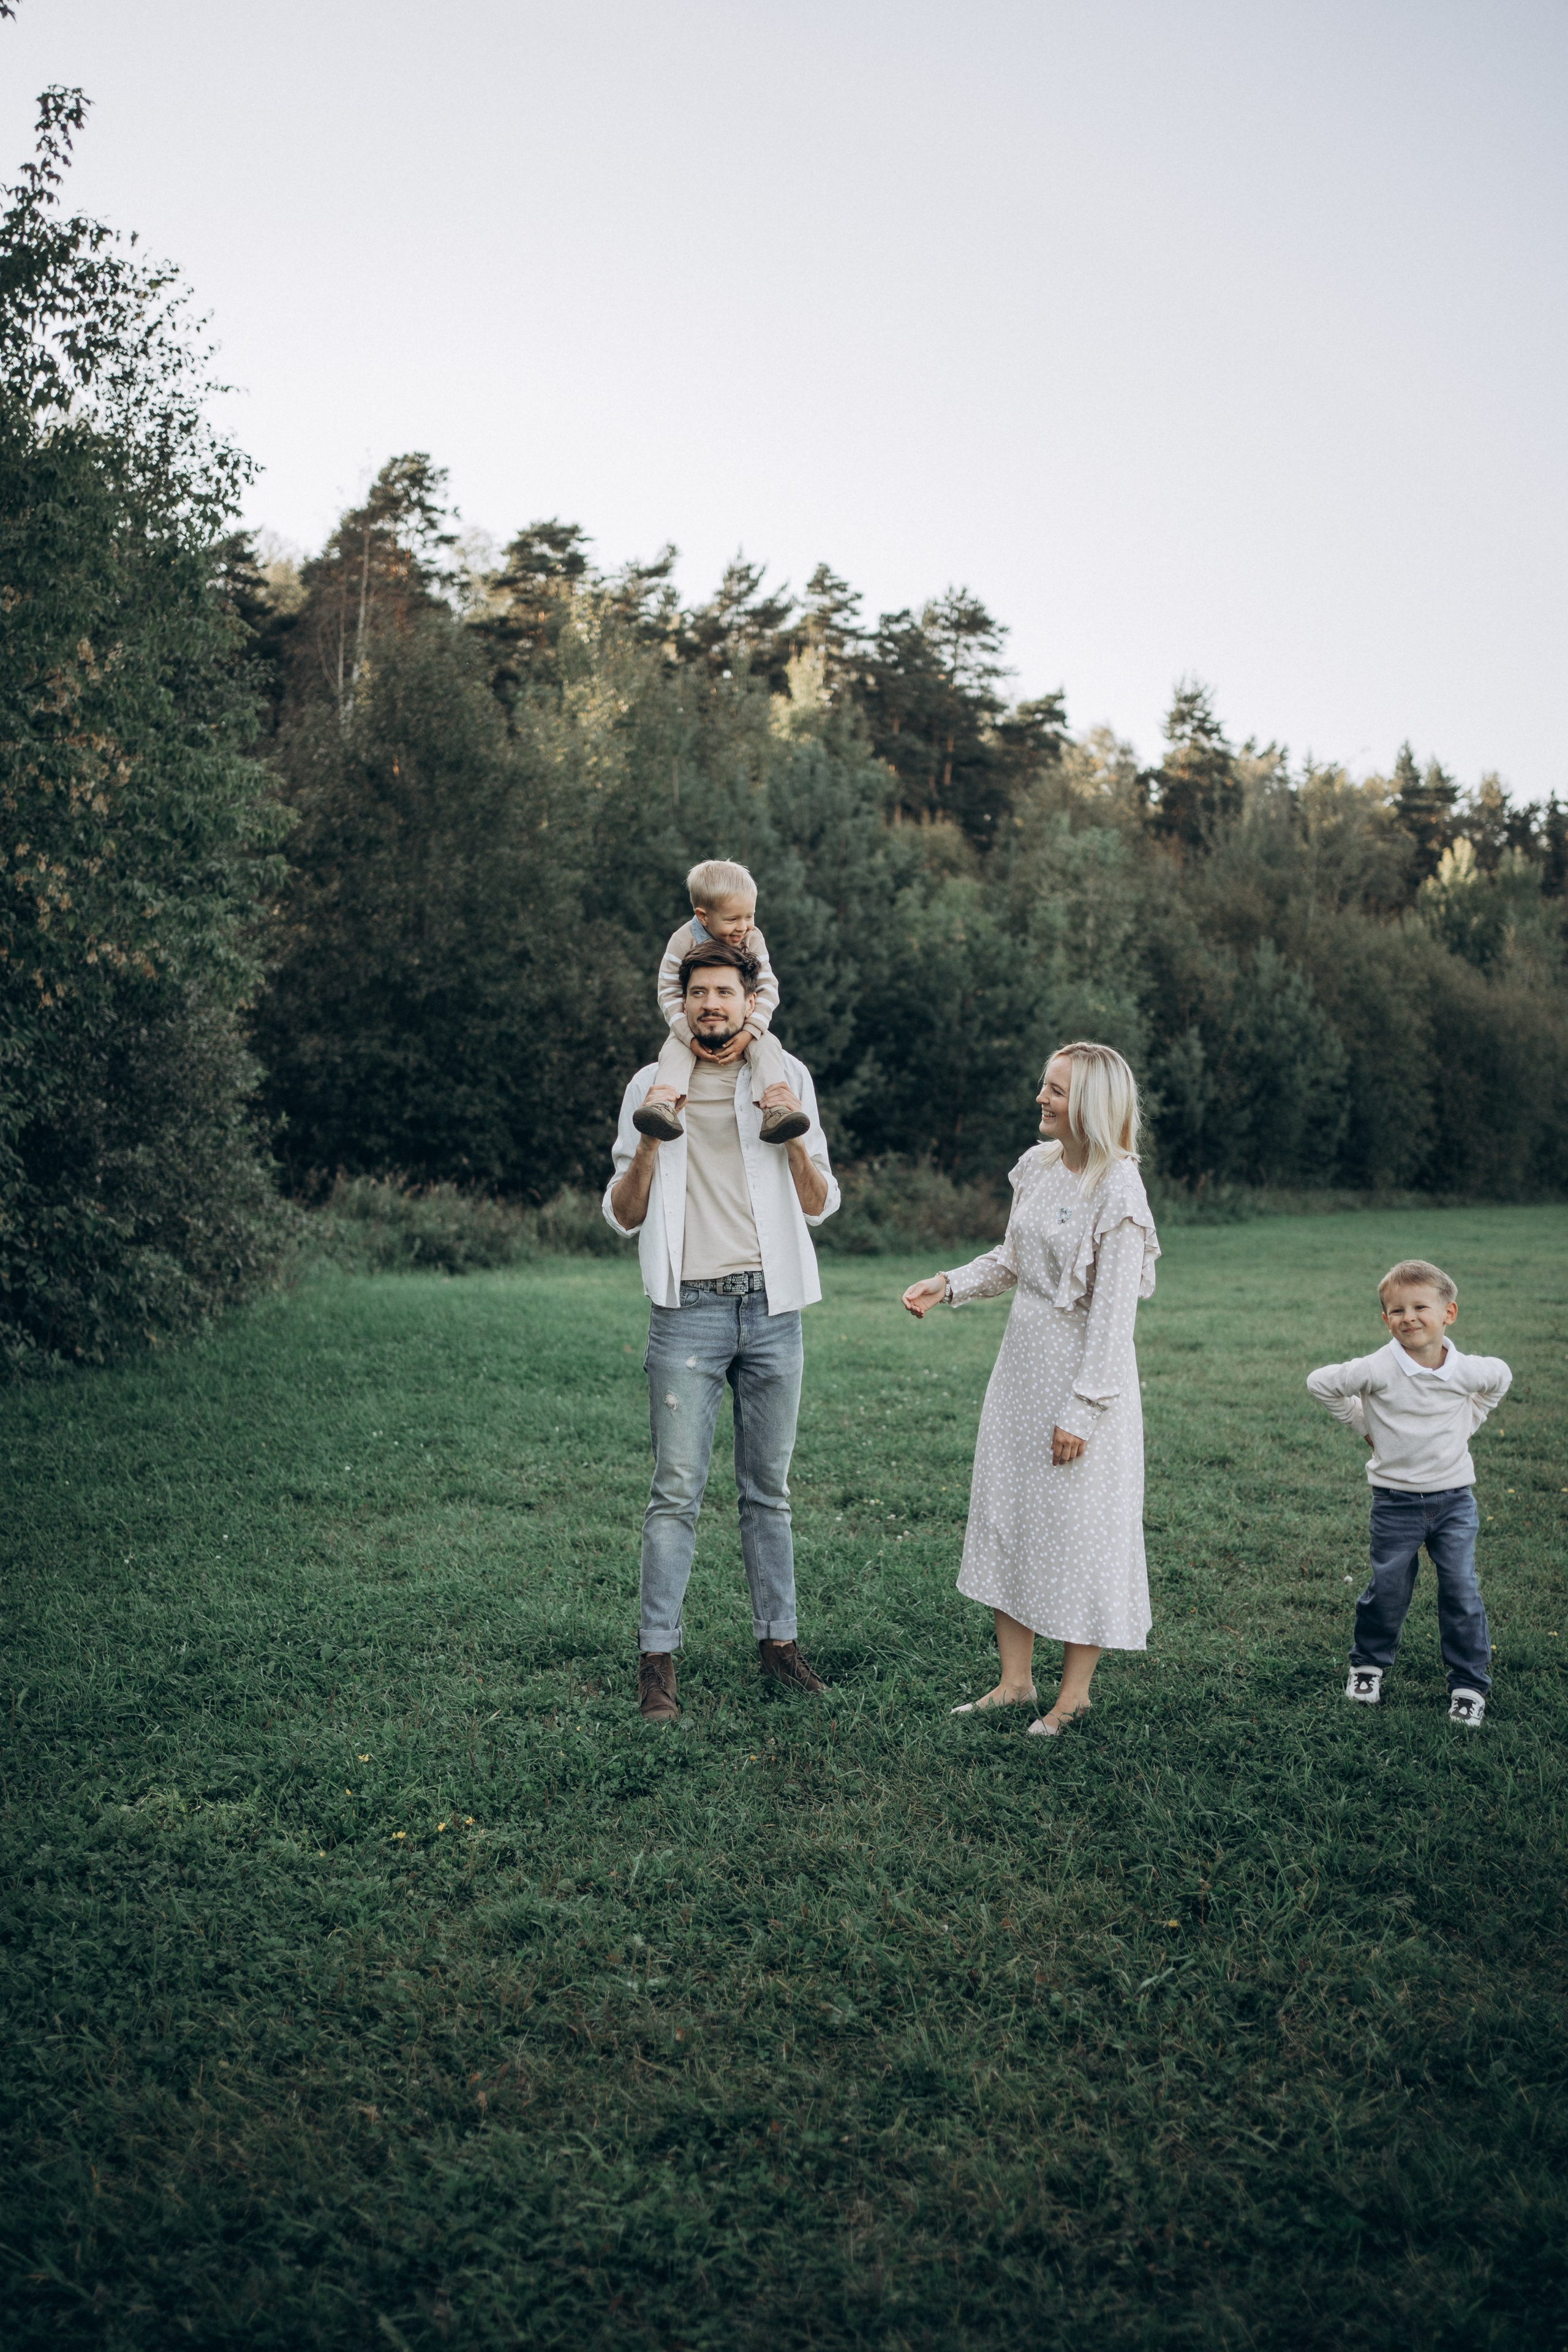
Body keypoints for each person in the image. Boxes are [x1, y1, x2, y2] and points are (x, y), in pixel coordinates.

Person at [603, 933, 840, 1722]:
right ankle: (658, 1664)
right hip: (687, 1314)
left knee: (766, 1493)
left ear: (748, 1002)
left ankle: (779, 1646)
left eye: (725, 993)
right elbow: (623, 1214)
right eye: (699, 992)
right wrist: (644, 1146)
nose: (712, 1004)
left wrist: (799, 1143)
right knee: (675, 1493)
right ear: (684, 1001)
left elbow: (818, 1201)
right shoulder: (651, 1085)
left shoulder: (784, 1076)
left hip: (773, 1309)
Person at [902, 1042, 1159, 1736]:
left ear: (1090, 1106)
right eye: (1044, 1086)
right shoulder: (1039, 1167)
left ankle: (1072, 1696)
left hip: (1083, 1383)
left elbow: (1112, 1321)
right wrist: (949, 1283)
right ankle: (1014, 1683)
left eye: (1054, 1090)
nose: (1040, 1099)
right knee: (1009, 1516)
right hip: (1020, 1370)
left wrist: (1082, 1408)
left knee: (1081, 1531)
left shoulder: (1119, 1192)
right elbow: (1011, 1259)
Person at [1306, 1258, 1510, 1728]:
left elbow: (1500, 1378)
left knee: (1461, 1590)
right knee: (1389, 1589)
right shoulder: (1377, 1368)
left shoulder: (1466, 1370)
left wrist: (1470, 1422)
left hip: (1455, 1500)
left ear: (1448, 1314)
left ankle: (1468, 1685)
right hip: (1395, 1503)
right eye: (1396, 1310)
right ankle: (1368, 1667)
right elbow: (1321, 1383)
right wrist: (1362, 1424)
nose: (1409, 1318)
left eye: (1421, 1307)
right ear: (1385, 1320)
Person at [631, 858, 807, 1148]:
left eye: (749, 916)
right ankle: (663, 1104)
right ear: (703, 916)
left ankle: (776, 1107)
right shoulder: (682, 941)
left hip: (746, 1022)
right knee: (674, 1050)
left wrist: (750, 1031)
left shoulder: (753, 938)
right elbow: (669, 992)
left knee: (767, 1045)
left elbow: (767, 988)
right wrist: (688, 1038)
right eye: (732, 920)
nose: (743, 927)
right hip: (692, 1028)